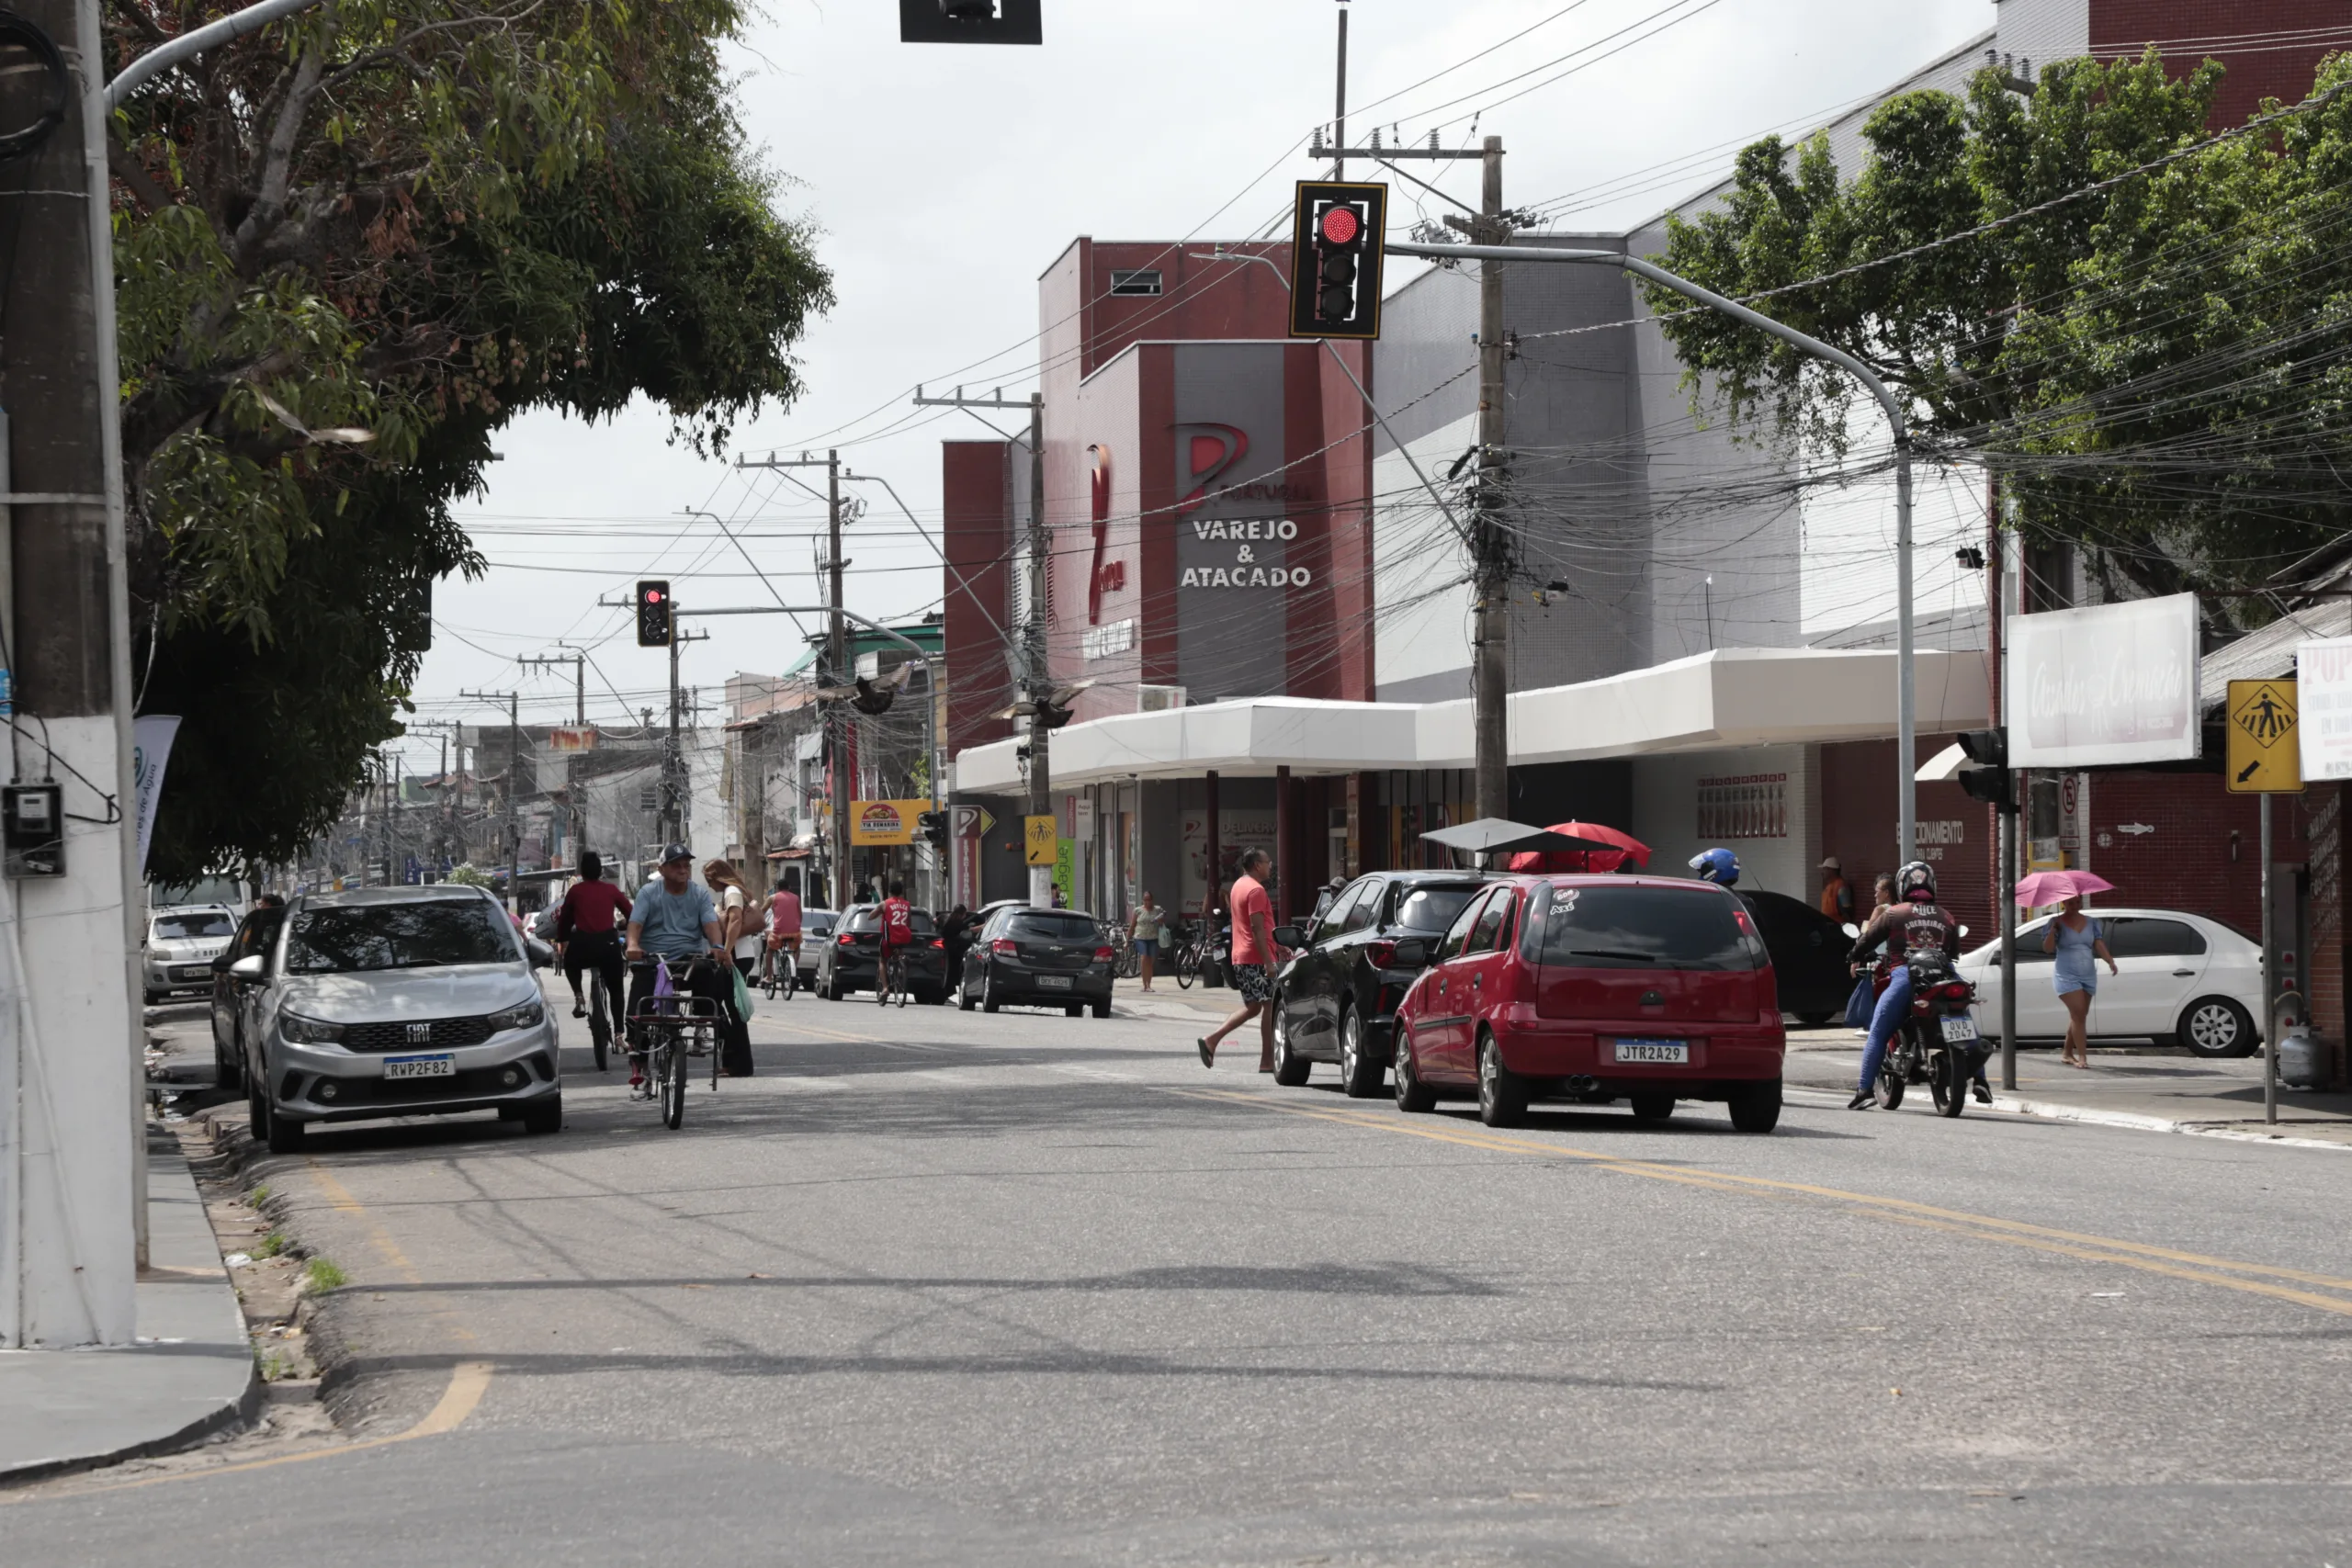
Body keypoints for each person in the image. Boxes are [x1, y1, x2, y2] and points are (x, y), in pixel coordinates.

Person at [1844, 860, 1982, 1109]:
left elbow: (1867, 941)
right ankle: (1981, 1081)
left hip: (1905, 975)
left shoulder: (1894, 913)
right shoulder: (1946, 915)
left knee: (1878, 1030)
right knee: (1965, 1021)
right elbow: (1954, 953)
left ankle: (1864, 1089)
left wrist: (1854, 955)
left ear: (1901, 885)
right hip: (1944, 976)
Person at [623, 846, 736, 1089]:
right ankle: (641, 1072)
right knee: (636, 1013)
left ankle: (701, 1031)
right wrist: (632, 945)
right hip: (653, 960)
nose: (683, 870)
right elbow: (635, 925)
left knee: (709, 974)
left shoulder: (699, 894)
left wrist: (717, 945)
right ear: (661, 869)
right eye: (676, 865)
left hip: (687, 959)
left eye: (686, 865)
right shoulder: (648, 893)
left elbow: (710, 924)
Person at [1196, 848, 1291, 1071]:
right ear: (1257, 865)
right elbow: (1257, 929)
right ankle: (1267, 1060)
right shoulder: (1256, 891)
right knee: (1268, 1005)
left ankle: (1212, 1040)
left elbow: (1255, 927)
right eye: (1268, 861)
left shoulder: (1238, 885)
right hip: (1256, 956)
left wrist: (1277, 945)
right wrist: (1269, 960)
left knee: (1253, 1007)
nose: (1271, 866)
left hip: (1242, 954)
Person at [555, 851, 631, 1042]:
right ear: (600, 871)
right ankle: (619, 1033)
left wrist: (562, 939)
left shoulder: (575, 892)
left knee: (570, 962)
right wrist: (629, 928)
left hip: (583, 945)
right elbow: (631, 912)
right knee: (616, 990)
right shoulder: (611, 890)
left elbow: (564, 919)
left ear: (582, 871)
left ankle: (579, 995)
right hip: (609, 945)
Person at [2044, 894, 2117, 1069]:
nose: (2074, 905)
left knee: (2079, 1015)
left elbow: (2098, 943)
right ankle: (2082, 1057)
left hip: (2087, 973)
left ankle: (2067, 1053)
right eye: (2070, 902)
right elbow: (2047, 949)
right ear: (2063, 903)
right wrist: (2053, 931)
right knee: (2078, 1014)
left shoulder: (2091, 922)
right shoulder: (2055, 922)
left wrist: (2110, 960)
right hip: (2066, 974)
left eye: (2077, 902)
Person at [703, 859, 761, 1076]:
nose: (709, 884)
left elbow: (735, 921)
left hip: (736, 956)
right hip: (736, 955)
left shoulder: (732, 891)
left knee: (722, 1007)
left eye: (710, 879)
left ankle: (739, 1064)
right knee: (724, 1007)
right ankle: (735, 1062)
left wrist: (726, 952)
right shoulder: (730, 892)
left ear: (718, 876)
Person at [876, 881, 916, 998]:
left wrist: (879, 911)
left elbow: (870, 916)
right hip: (905, 937)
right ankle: (900, 970)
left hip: (890, 938)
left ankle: (885, 988)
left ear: (889, 891)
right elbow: (908, 922)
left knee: (882, 960)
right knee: (899, 952)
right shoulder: (907, 904)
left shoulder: (885, 904)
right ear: (902, 891)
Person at [765, 875, 803, 989]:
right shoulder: (796, 898)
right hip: (794, 933)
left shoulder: (772, 898)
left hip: (778, 933)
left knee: (769, 949)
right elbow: (800, 914)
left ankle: (769, 976)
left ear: (777, 888)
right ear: (789, 887)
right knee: (797, 948)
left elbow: (761, 911)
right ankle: (793, 969)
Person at [1128, 891, 1167, 992]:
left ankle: (1149, 984)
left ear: (1152, 900)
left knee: (1150, 962)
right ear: (1142, 900)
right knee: (1144, 958)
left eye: (1149, 900)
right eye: (1145, 900)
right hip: (1140, 937)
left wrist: (1160, 920)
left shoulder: (1157, 910)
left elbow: (1162, 924)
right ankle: (1144, 985)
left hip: (1153, 938)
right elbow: (1132, 926)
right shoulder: (1138, 910)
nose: (1147, 902)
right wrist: (1127, 941)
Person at [1818, 856, 1854, 923]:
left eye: (1824, 869)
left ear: (1831, 870)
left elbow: (1846, 912)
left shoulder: (1841, 886)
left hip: (1836, 925)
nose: (1822, 872)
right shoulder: (1829, 886)